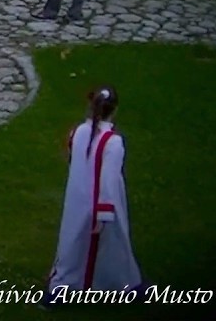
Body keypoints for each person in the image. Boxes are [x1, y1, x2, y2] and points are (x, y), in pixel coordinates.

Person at [45, 86, 143, 300]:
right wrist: (104, 211)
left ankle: (63, 286)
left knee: (72, 242)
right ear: (114, 110)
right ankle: (124, 285)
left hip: (77, 199)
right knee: (112, 245)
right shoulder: (113, 143)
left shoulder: (78, 132)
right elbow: (108, 180)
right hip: (102, 203)